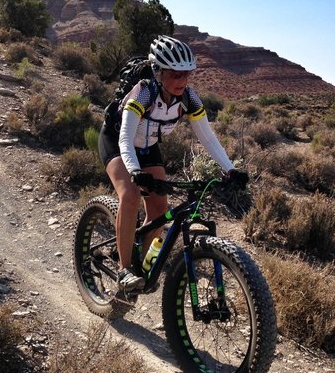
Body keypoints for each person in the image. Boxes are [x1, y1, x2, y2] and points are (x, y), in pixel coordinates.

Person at [98, 35, 248, 292]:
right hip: (116, 140)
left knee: (159, 207)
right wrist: (134, 171)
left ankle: (143, 268)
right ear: (158, 71)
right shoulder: (144, 93)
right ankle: (123, 271)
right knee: (130, 194)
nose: (182, 81)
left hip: (147, 147)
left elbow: (208, 138)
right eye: (174, 75)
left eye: (186, 74)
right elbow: (125, 137)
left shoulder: (189, 98)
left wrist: (231, 169)